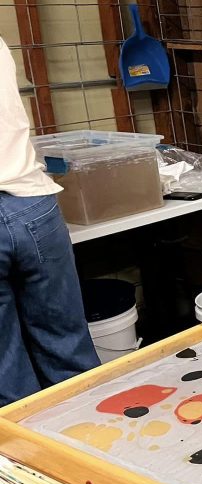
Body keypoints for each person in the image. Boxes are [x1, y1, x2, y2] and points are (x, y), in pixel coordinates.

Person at [0, 36, 100, 406]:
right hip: (32, 202)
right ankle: (89, 433)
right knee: (69, 351)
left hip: (28, 203)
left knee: (7, 375)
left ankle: (29, 442)